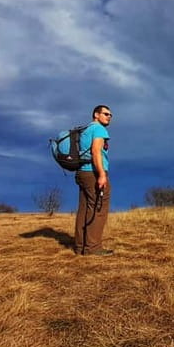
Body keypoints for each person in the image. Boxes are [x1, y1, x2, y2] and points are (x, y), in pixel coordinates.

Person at [74, 105, 113, 256]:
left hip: (82, 173)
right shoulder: (98, 129)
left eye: (110, 115)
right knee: (99, 208)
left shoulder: (85, 130)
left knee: (84, 209)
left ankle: (80, 247)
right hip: (93, 173)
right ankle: (93, 248)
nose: (109, 116)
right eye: (106, 114)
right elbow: (96, 151)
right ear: (96, 115)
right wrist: (102, 174)